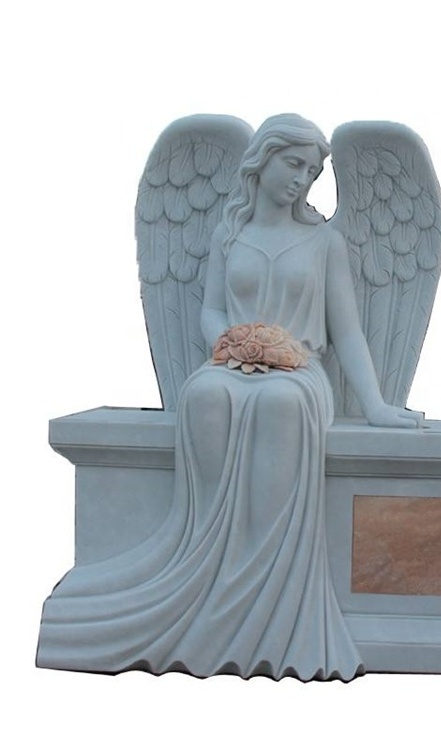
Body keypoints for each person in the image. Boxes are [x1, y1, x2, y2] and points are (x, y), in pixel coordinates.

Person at [37, 114, 419, 681]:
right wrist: (231, 341)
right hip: (231, 362)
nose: (302, 179)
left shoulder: (325, 243)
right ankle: (208, 565)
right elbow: (211, 309)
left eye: (312, 172)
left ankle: (265, 588)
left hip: (299, 372)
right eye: (294, 164)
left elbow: (347, 331)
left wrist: (376, 405)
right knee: (205, 396)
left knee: (281, 404)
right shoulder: (228, 235)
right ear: (262, 160)